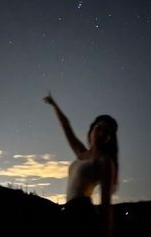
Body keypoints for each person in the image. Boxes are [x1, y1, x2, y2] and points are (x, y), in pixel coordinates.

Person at [43, 92, 119, 237]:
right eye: (99, 128)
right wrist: (54, 104)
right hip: (69, 209)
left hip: (83, 211)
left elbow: (106, 204)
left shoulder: (105, 161)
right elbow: (66, 126)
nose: (102, 133)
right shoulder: (81, 153)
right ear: (91, 131)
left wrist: (106, 233)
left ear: (110, 139)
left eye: (107, 132)